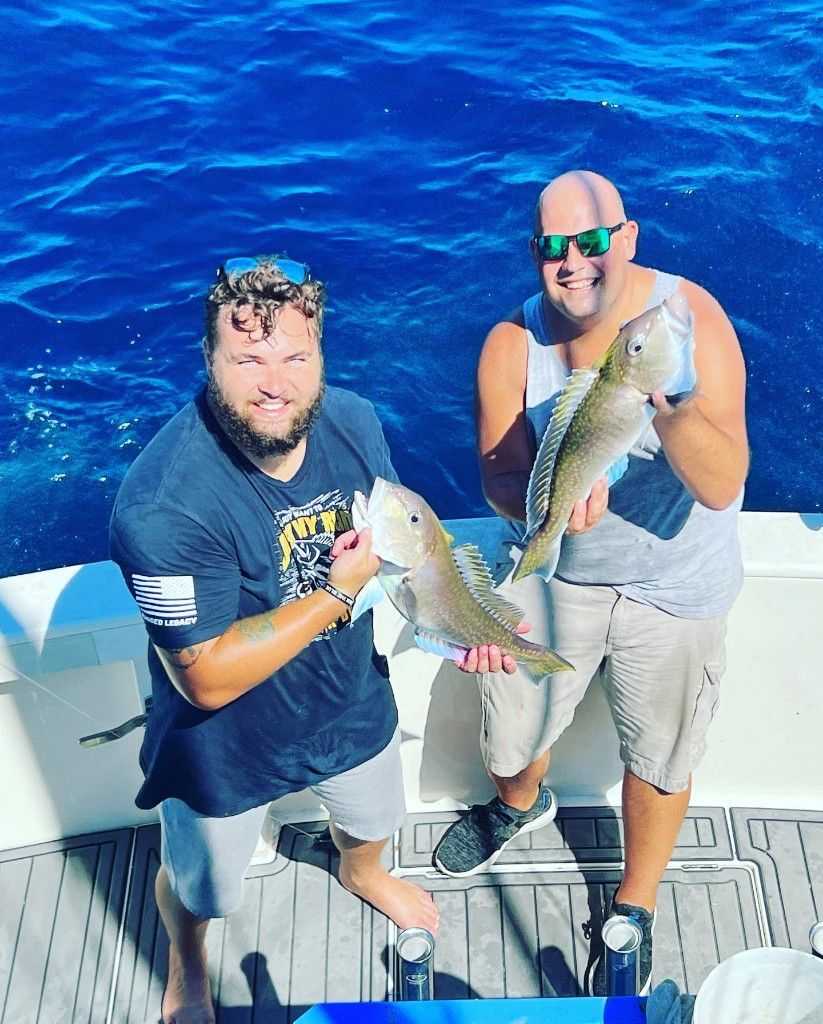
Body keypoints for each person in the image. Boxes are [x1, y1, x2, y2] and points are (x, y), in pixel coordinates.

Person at [433, 170, 748, 994]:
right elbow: (498, 475)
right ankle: (517, 803)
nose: (573, 263)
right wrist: (549, 492)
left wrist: (669, 402)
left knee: (660, 752)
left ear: (628, 238)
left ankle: (632, 905)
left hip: (676, 585)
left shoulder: (686, 321)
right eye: (551, 248)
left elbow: (722, 484)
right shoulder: (511, 343)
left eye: (592, 241)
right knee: (507, 730)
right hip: (559, 571)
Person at [110, 256, 439, 1024]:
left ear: (321, 355)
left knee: (372, 824)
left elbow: (405, 532)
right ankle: (186, 958)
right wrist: (336, 592)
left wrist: (461, 625)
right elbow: (206, 679)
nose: (275, 382)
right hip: (223, 743)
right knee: (204, 890)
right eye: (248, 358)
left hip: (349, 695)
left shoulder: (353, 420)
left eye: (295, 355)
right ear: (209, 361)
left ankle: (360, 873)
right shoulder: (162, 505)